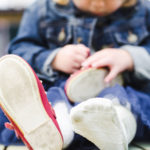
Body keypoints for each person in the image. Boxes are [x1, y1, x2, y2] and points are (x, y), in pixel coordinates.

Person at [0, 0, 150, 149]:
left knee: (126, 100)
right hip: (59, 92)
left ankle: (115, 128)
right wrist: (54, 58)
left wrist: (130, 57)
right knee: (52, 98)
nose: (98, 3)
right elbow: (20, 50)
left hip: (122, 91)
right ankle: (54, 134)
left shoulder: (144, 11)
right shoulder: (41, 11)